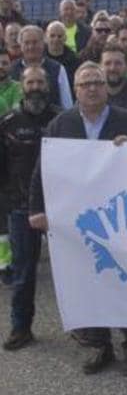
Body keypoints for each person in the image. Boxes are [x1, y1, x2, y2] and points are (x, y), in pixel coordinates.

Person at [37, 62, 127, 375]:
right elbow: (42, 169)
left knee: (126, 279)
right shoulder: (61, 124)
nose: (92, 88)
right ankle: (100, 345)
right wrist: (38, 208)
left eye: (97, 83)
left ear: (106, 87)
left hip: (121, 218)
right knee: (90, 282)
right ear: (75, 90)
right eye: (85, 83)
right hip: (79, 221)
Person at [0, 67, 60, 351]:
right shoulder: (8, 123)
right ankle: (20, 327)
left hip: (61, 207)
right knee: (23, 272)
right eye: (30, 82)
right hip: (21, 208)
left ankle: (87, 331)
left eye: (40, 81)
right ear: (22, 86)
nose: (35, 87)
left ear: (47, 85)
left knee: (71, 271)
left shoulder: (61, 119)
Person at [11, 26, 73, 110]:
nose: (31, 46)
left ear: (43, 43)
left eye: (35, 42)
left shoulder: (58, 69)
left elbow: (67, 104)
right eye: (26, 43)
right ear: (20, 45)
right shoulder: (11, 69)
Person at [0, 43, 21, 116]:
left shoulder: (18, 87)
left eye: (4, 63)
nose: (1, 67)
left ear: (11, 65)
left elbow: (15, 114)